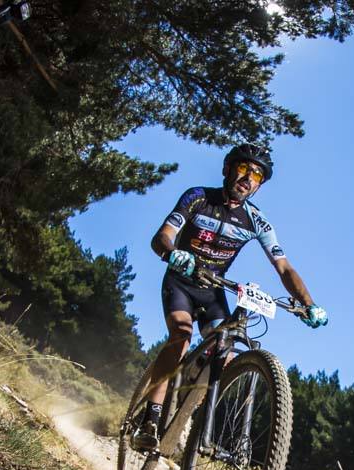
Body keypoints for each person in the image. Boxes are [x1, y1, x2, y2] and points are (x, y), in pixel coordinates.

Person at [132, 143, 328, 451]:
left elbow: (284, 267)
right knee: (181, 335)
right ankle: (150, 419)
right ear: (227, 169)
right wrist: (172, 254)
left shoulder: (256, 221)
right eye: (243, 169)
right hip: (181, 282)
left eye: (257, 175)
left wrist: (308, 303)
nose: (248, 178)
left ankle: (185, 418)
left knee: (227, 355)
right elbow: (162, 237)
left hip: (213, 292)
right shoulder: (198, 197)